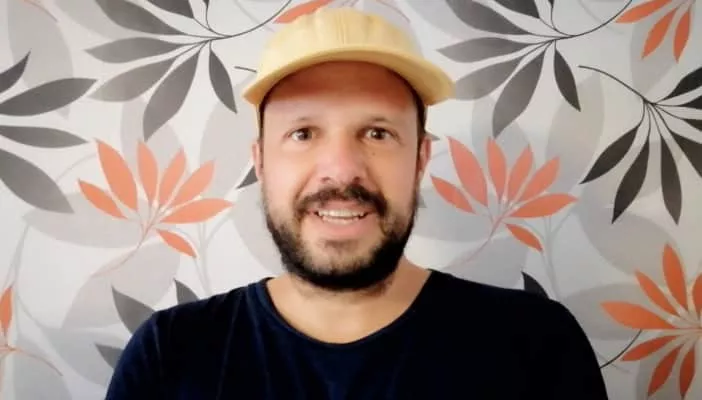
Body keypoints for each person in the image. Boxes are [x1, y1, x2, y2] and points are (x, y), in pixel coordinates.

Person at [105, 7, 609, 400]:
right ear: (260, 162)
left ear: (420, 158)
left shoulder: (536, 346)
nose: (342, 170)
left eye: (377, 132)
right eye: (303, 133)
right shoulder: (169, 354)